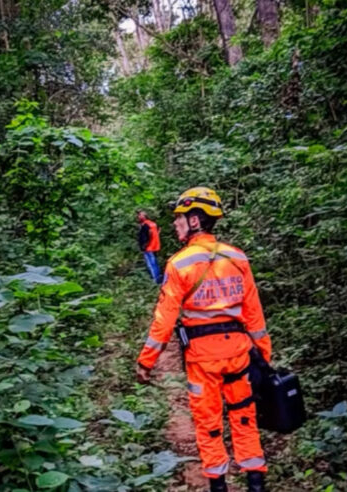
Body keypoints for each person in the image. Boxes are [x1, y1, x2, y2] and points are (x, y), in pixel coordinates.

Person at [135, 187, 272, 492]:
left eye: (180, 218)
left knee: (209, 424)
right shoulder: (238, 257)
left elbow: (164, 319)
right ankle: (256, 483)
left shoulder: (180, 264)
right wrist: (263, 355)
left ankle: (218, 486)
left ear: (195, 220)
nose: (175, 223)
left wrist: (146, 361)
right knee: (245, 417)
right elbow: (254, 314)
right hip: (239, 354)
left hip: (202, 360)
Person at [137, 211, 162, 283]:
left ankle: (155, 280)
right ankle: (158, 277)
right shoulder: (153, 224)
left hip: (148, 247)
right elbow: (157, 232)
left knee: (151, 264)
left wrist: (144, 245)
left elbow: (146, 236)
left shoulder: (145, 225)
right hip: (155, 246)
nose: (138, 216)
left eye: (140, 215)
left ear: (144, 216)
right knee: (155, 263)